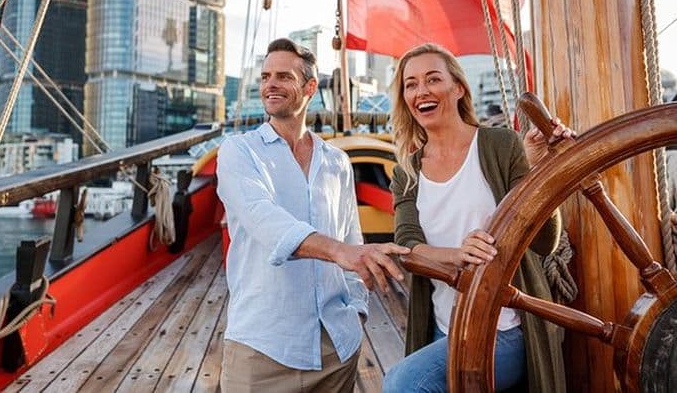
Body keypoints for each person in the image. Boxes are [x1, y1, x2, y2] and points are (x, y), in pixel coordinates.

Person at [216, 38, 410, 392]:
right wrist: (341, 253)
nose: (270, 84)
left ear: (309, 88)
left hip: (335, 348)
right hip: (262, 349)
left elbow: (352, 235)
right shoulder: (238, 152)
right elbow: (265, 220)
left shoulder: (336, 162)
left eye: (283, 76)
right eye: (265, 76)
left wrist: (357, 310)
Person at [383, 43, 568, 393]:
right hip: (442, 326)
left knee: (403, 383)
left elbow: (545, 240)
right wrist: (457, 254)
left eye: (433, 79)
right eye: (411, 84)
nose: (421, 90)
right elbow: (408, 247)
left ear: (458, 88)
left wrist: (541, 172)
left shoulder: (501, 145)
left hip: (506, 327)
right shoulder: (406, 172)